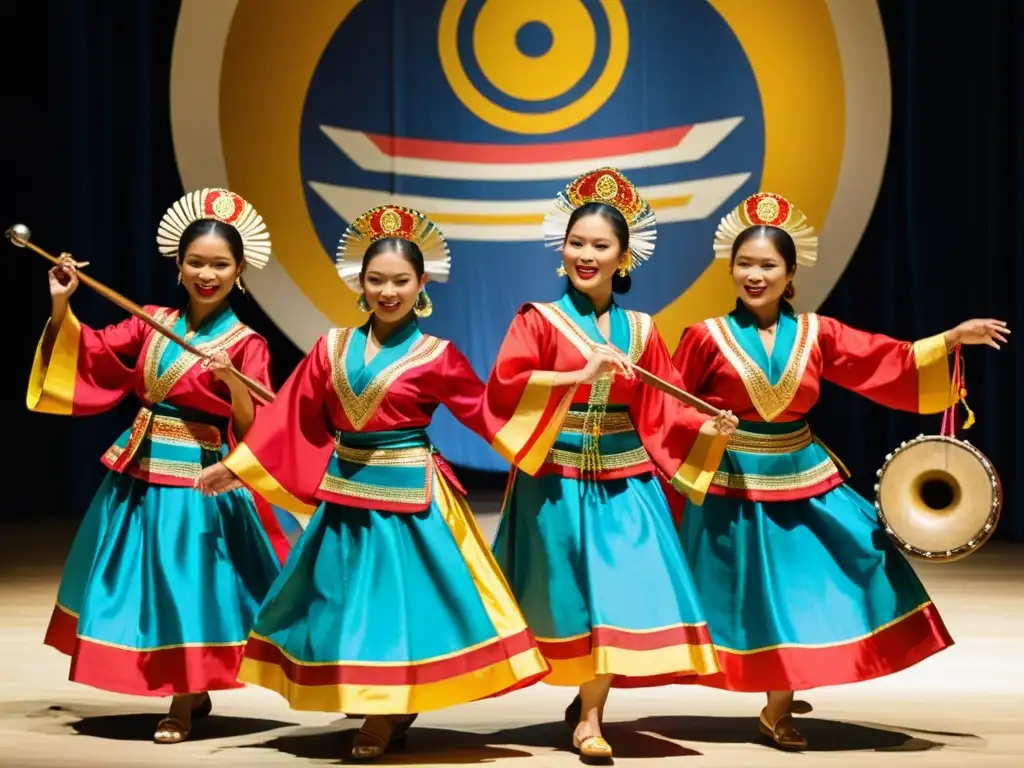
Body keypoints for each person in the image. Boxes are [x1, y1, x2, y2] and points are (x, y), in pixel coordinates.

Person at [195, 205, 549, 761]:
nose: (388, 291)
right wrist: (235, 465)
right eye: (377, 279)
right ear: (360, 283)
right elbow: (290, 415)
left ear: (421, 284)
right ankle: (374, 699)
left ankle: (383, 715)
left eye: (400, 281)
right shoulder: (331, 347)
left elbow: (489, 411)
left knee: (396, 609)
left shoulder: (438, 355)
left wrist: (565, 393)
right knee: (344, 603)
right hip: (345, 498)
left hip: (412, 501)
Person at [664, 191, 1010, 749]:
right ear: (730, 269)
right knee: (755, 596)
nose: (755, 275)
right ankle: (766, 702)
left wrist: (949, 340)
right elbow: (672, 406)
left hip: (803, 476)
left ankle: (780, 700)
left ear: (790, 273)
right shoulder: (706, 336)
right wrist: (704, 428)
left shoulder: (816, 333)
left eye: (767, 265)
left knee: (859, 557)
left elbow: (882, 360)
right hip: (735, 487)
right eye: (744, 265)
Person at [482, 168, 739, 761]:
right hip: (555, 480)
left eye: (600, 246)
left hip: (626, 483)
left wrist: (708, 428)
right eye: (577, 243)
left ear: (624, 256)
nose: (586, 255)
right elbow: (506, 387)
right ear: (561, 249)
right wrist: (578, 375)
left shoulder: (641, 330)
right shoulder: (536, 320)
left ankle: (590, 717)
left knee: (621, 595)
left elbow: (665, 406)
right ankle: (583, 702)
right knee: (569, 599)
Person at [28, 188, 291, 744]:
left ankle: (181, 698)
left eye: (220, 264)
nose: (207, 273)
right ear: (179, 264)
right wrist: (62, 303)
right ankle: (185, 689)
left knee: (186, 588)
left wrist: (230, 386)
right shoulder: (150, 320)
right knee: (139, 585)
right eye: (196, 262)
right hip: (138, 473)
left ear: (240, 270)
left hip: (198, 478)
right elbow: (95, 353)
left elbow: (256, 429)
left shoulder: (247, 343)